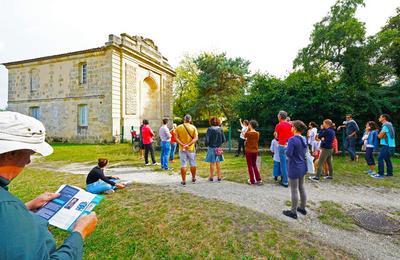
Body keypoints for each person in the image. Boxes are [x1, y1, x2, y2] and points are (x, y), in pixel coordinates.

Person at [0, 111, 98, 259]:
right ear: (10, 154)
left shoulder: (7, 206)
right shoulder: (6, 206)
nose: (28, 162)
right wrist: (79, 233)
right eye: (29, 154)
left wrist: (24, 208)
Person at [282, 120, 308, 219]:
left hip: (294, 166)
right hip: (302, 166)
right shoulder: (303, 139)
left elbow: (288, 154)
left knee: (294, 189)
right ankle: (302, 208)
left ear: (295, 128)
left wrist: (285, 147)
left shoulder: (292, 140)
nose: (291, 128)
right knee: (301, 187)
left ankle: (293, 212)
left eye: (292, 126)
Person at [175, 114, 198, 186]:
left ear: (184, 119)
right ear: (190, 120)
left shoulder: (179, 127)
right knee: (193, 163)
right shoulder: (193, 127)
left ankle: (184, 180)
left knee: (183, 164)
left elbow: (176, 138)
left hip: (182, 149)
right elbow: (195, 138)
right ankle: (193, 178)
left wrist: (182, 144)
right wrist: (189, 144)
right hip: (191, 149)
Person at [372, 114, 396, 179]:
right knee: (387, 159)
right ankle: (389, 173)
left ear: (384, 118)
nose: (379, 118)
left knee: (380, 158)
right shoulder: (389, 125)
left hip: (387, 145)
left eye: (380, 117)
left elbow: (379, 136)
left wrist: (380, 134)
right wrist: (382, 135)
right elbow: (382, 135)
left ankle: (380, 174)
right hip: (391, 146)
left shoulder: (385, 126)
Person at [274, 110, 293, 187]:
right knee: (289, 163)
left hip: (282, 145)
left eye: (278, 115)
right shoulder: (291, 125)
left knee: (283, 164)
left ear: (280, 116)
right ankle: (288, 179)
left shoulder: (278, 125)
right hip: (290, 145)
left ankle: (285, 181)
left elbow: (276, 136)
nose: (277, 116)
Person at [205, 116, 226, 182]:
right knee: (218, 163)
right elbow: (224, 139)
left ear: (211, 121)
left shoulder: (209, 129)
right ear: (218, 121)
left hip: (211, 148)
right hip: (218, 148)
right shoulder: (220, 129)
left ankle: (211, 177)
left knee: (212, 163)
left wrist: (207, 144)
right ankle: (219, 177)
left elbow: (207, 140)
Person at [245, 120, 263, 185]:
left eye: (249, 124)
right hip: (255, 151)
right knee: (254, 165)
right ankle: (258, 179)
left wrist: (248, 129)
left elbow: (245, 136)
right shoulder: (257, 133)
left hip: (248, 151)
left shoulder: (248, 133)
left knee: (250, 166)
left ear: (251, 125)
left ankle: (252, 180)